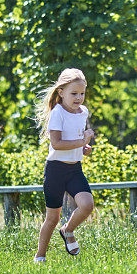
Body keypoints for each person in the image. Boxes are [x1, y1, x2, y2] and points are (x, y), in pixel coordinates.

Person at [33, 68, 95, 262]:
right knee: (52, 218)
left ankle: (68, 230)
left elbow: (79, 139)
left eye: (82, 93)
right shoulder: (57, 113)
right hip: (56, 171)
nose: (79, 98)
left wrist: (85, 148)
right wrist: (81, 141)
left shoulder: (83, 112)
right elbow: (57, 144)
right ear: (61, 92)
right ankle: (40, 256)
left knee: (87, 205)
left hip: (75, 169)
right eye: (74, 93)